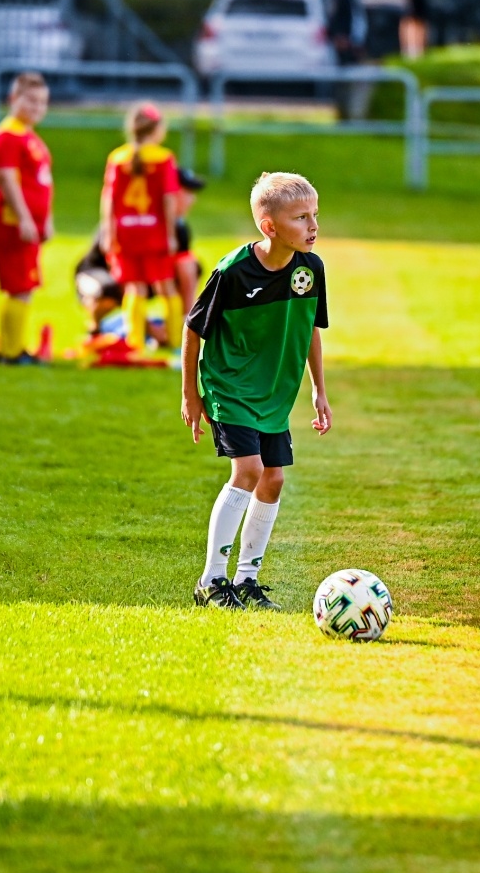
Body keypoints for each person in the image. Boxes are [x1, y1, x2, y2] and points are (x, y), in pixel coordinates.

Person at [182, 172, 331, 611]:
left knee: (275, 478)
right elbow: (193, 330)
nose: (313, 226)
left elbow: (310, 331)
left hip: (272, 394)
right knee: (247, 470)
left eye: (315, 215)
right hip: (230, 386)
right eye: (301, 217)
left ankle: (246, 580)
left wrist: (319, 390)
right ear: (269, 227)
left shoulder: (311, 269)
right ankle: (211, 580)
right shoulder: (233, 272)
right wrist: (190, 395)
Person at [100, 103, 182, 352]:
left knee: (134, 287)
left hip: (127, 233)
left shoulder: (117, 157)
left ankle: (134, 342)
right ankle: (178, 342)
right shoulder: (163, 158)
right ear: (157, 129)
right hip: (154, 233)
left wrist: (108, 231)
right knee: (166, 285)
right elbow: (168, 199)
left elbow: (109, 199)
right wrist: (170, 233)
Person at [0, 72, 54, 366]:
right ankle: (10, 353)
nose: (38, 107)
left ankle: (11, 347)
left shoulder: (28, 135)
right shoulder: (8, 136)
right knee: (20, 286)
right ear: (14, 99)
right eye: (31, 100)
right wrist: (25, 218)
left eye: (43, 102)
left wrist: (46, 218)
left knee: (24, 285)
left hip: (27, 222)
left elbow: (41, 181)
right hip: (12, 220)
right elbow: (7, 180)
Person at [327, 0, 371, 120]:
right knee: (344, 80)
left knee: (351, 79)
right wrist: (340, 37)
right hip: (345, 45)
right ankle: (345, 115)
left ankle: (350, 114)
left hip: (353, 44)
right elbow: (334, 18)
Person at [172, 166, 207, 309]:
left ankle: (187, 318)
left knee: (191, 264)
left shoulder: (180, 227)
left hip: (157, 277)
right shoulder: (148, 221)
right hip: (109, 273)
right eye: (187, 192)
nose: (192, 199)